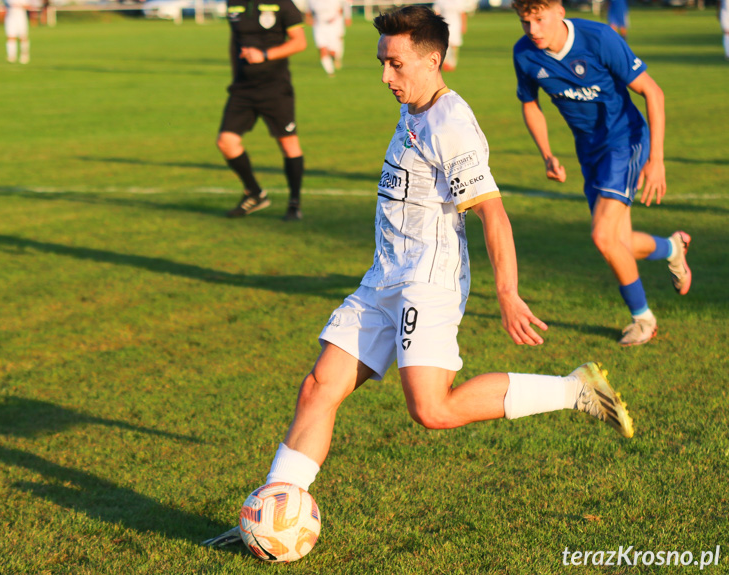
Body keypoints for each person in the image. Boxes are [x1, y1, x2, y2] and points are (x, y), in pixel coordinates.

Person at [204, 5, 633, 548]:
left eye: (396, 65)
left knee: (433, 409)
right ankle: (274, 508)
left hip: (426, 283)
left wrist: (506, 292)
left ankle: (574, 390)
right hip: (383, 277)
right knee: (318, 389)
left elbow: (492, 212)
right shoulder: (415, 105)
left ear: (434, 61)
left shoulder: (452, 123)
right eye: (382, 62)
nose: (386, 76)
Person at [511, 0, 691, 346]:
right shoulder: (525, 54)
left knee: (603, 237)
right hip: (589, 152)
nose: (532, 29)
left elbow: (653, 92)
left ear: (559, 11)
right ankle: (672, 248)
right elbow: (529, 103)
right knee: (618, 243)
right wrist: (547, 154)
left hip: (625, 141)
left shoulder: (598, 38)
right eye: (525, 21)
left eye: (539, 19)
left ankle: (643, 319)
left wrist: (657, 160)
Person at [218, 0, 307, 221]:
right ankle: (255, 193)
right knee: (226, 142)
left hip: (275, 87)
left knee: (288, 143)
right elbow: (236, 40)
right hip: (242, 88)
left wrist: (264, 55)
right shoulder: (233, 3)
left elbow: (299, 42)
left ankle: (294, 203)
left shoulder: (283, 4)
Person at [305, 0, 352, 77]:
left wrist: (347, 17)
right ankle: (330, 72)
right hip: (319, 26)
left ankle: (335, 58)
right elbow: (308, 11)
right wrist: (308, 18)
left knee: (333, 52)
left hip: (334, 25)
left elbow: (345, 6)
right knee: (322, 49)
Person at [432, 0, 467, 71]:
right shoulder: (440, 1)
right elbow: (437, 12)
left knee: (454, 44)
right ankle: (446, 62)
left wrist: (463, 25)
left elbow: (462, 13)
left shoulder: (459, 1)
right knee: (445, 44)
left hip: (456, 25)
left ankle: (453, 62)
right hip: (444, 25)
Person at [5, 0, 32, 64]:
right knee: (10, 37)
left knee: (23, 37)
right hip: (10, 17)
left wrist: (20, 5)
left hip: (21, 18)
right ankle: (11, 56)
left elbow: (28, 6)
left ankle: (24, 55)